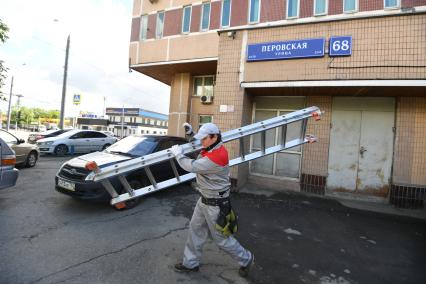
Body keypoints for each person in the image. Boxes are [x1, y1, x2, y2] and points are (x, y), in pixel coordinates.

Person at [170, 122, 254, 277]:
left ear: (214, 137)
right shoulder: (213, 146)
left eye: (204, 138)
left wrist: (178, 154)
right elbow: (200, 148)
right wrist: (191, 135)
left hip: (216, 205)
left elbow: (192, 165)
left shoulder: (217, 156)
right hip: (204, 200)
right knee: (195, 230)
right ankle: (190, 263)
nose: (201, 142)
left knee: (222, 240)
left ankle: (246, 258)